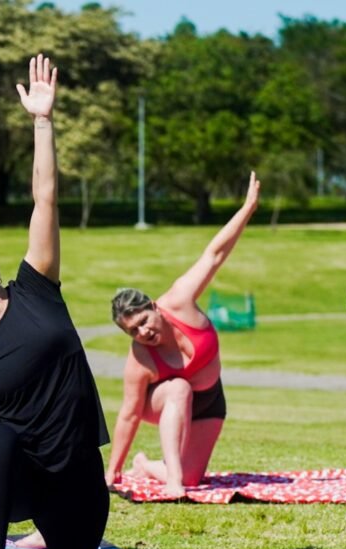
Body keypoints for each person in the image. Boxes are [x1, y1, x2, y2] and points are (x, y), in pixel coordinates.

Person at [0, 54, 110, 549]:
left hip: (79, 476)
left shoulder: (36, 288)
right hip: (19, 481)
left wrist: (42, 121)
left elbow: (44, 199)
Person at [104, 172, 259, 499]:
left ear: (154, 306)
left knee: (194, 479)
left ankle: (147, 465)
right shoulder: (140, 358)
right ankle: (172, 481)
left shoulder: (180, 299)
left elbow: (214, 255)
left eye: (143, 321)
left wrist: (247, 208)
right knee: (178, 387)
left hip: (210, 398)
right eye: (133, 331)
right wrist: (112, 470)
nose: (143, 332)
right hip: (165, 401)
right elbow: (130, 413)